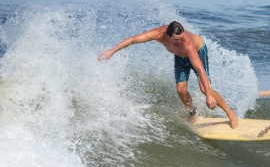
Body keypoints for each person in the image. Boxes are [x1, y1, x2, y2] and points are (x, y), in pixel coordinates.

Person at [98, 21, 239, 128]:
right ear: (167, 35)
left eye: (181, 38)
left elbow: (200, 69)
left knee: (204, 89)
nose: (180, 42)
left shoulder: (187, 43)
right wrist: (112, 51)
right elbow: (133, 40)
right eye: (176, 40)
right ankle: (193, 113)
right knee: (180, 90)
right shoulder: (158, 34)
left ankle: (230, 113)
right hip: (180, 58)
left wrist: (208, 95)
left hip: (198, 53)